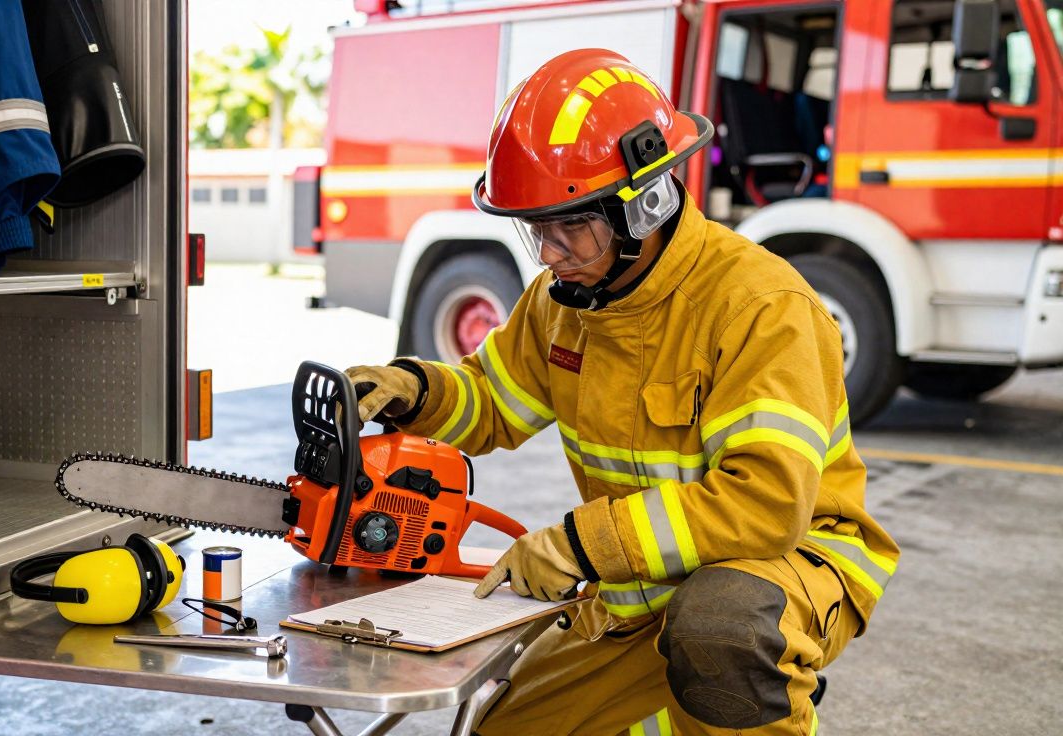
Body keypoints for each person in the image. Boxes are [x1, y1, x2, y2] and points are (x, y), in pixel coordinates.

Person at [347, 49, 899, 735]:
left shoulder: (760, 305)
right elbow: (492, 400)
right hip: (641, 590)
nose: (547, 252)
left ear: (648, 204)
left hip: (780, 575)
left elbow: (765, 504)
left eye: (569, 226)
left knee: (721, 630)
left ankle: (751, 695)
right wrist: (412, 388)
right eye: (536, 229)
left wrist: (578, 547)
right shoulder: (566, 302)